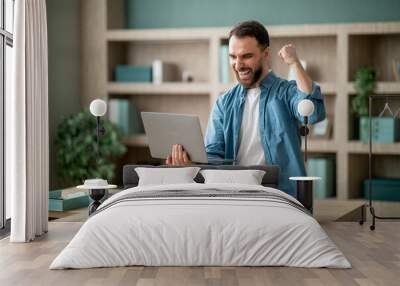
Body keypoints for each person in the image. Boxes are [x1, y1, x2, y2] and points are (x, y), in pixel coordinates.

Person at [165, 20, 326, 196]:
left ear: (265, 54)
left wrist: (294, 63)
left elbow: (313, 113)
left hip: (283, 196)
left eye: (246, 56)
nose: (238, 64)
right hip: (236, 195)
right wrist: (192, 166)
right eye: (233, 57)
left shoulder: (286, 92)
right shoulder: (224, 102)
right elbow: (214, 156)